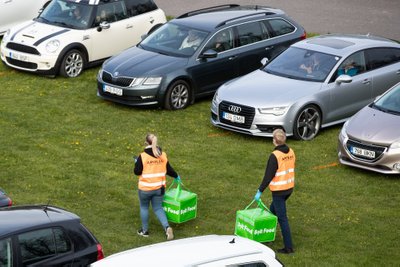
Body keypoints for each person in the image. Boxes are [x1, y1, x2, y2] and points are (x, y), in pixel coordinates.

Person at [254, 129, 295, 254]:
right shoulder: (291, 152)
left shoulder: (275, 156)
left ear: (274, 140)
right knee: (272, 213)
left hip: (279, 191)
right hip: (289, 188)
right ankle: (265, 235)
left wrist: (259, 191)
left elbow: (268, 176)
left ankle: (289, 247)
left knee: (282, 218)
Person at [134, 133, 180, 240]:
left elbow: (137, 172)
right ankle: (167, 227)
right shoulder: (162, 155)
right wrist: (176, 176)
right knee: (158, 208)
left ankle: (145, 231)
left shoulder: (143, 156)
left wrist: (137, 163)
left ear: (146, 143)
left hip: (145, 189)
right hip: (159, 189)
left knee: (144, 207)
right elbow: (169, 170)